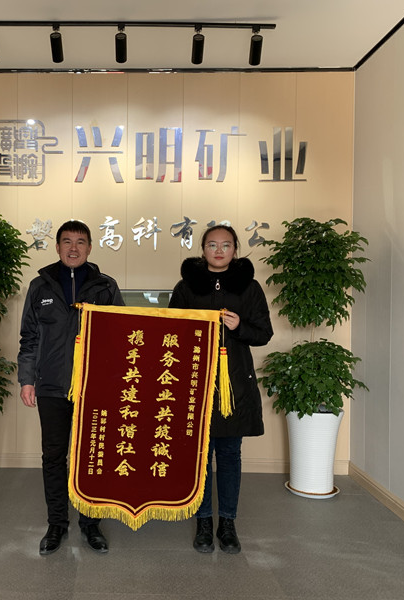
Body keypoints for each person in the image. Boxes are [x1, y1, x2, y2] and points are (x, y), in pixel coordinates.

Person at [18, 220, 124, 555]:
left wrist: (115, 383)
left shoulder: (105, 286)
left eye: (80, 242)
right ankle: (57, 524)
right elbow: (29, 338)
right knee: (53, 456)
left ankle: (91, 524)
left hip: (94, 388)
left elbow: (123, 336)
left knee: (91, 456)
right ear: (58, 247)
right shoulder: (40, 286)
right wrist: (27, 379)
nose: (73, 248)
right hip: (51, 386)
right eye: (67, 241)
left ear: (90, 247)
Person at [168, 224, 273, 554]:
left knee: (229, 455)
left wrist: (239, 326)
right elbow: (169, 332)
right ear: (203, 250)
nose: (218, 251)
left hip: (235, 384)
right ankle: (203, 522)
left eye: (225, 245)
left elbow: (264, 333)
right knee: (200, 457)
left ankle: (227, 523)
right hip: (196, 382)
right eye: (212, 245)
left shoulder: (249, 288)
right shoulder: (186, 287)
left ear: (235, 250)